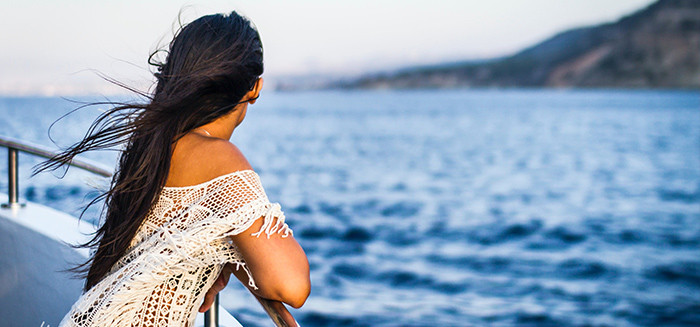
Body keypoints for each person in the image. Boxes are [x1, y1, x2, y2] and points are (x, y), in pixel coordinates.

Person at [38, 10, 310, 327]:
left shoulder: (152, 142)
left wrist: (225, 250)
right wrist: (234, 250)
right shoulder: (219, 158)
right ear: (255, 88)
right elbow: (291, 286)